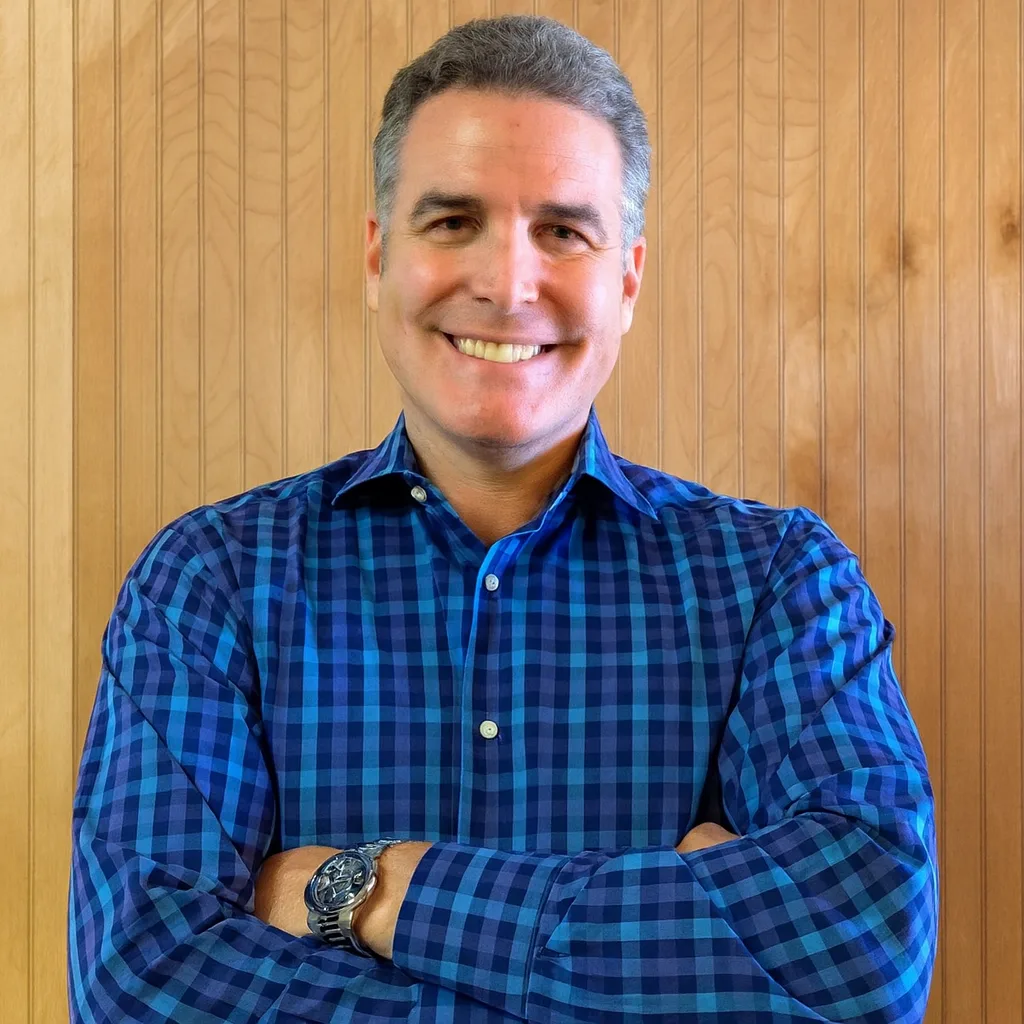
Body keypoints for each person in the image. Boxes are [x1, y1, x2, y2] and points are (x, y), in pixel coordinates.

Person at [68, 14, 937, 1023]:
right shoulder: (209, 582)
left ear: (628, 279)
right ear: (377, 256)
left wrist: (373, 886)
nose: (506, 282)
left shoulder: (780, 582)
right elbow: (142, 984)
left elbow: (863, 955)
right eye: (451, 222)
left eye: (562, 231)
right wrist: (667, 967)